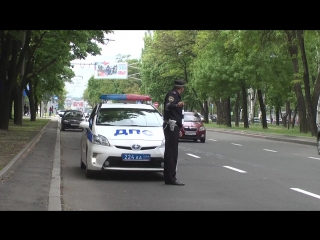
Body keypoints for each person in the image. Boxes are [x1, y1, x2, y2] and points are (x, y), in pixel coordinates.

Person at [162, 79, 186, 186]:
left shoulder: (175, 95)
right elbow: (168, 106)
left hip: (173, 125)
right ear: (181, 88)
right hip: (171, 126)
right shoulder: (172, 95)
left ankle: (168, 177)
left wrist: (179, 128)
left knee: (170, 152)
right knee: (172, 153)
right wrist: (177, 105)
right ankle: (171, 178)